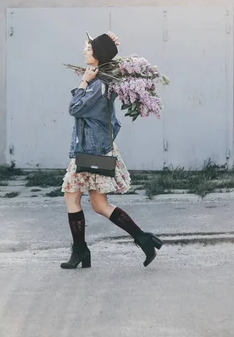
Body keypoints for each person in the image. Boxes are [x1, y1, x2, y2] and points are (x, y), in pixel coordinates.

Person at [60, 31, 163, 269]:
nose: (85, 51)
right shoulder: (103, 80)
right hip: (97, 147)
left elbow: (75, 108)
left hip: (90, 149)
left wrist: (83, 81)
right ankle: (143, 239)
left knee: (71, 196)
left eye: (89, 48)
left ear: (98, 55)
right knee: (99, 205)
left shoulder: (98, 85)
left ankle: (80, 251)